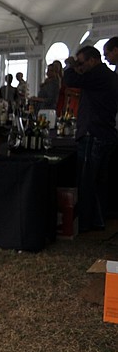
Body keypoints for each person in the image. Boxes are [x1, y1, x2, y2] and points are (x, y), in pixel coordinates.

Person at [63, 45, 118, 232]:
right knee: (100, 181)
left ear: (92, 60)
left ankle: (87, 222)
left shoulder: (98, 74)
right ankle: (98, 219)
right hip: (105, 132)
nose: (81, 66)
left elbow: (70, 79)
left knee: (87, 181)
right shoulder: (109, 76)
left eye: (82, 62)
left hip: (93, 133)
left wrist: (70, 65)